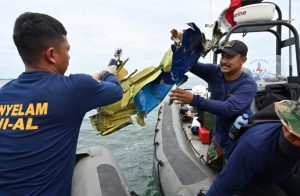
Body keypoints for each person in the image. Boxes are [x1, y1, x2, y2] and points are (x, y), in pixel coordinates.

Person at [0, 12, 123, 195]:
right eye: (67, 50)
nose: (69, 56)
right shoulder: (76, 89)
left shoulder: (5, 93)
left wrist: (93, 79)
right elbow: (116, 91)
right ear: (51, 54)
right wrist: (108, 72)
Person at [169, 40, 257, 157]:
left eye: (229, 57)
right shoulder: (215, 72)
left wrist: (194, 99)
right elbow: (189, 64)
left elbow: (227, 108)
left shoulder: (248, 85)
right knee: (211, 169)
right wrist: (181, 45)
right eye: (222, 56)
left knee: (230, 173)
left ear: (243, 60)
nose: (224, 61)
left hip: (239, 142)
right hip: (218, 139)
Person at [205, 99, 300, 196]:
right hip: (252, 179)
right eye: (289, 124)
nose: (289, 134)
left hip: (284, 169)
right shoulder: (254, 145)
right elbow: (224, 185)